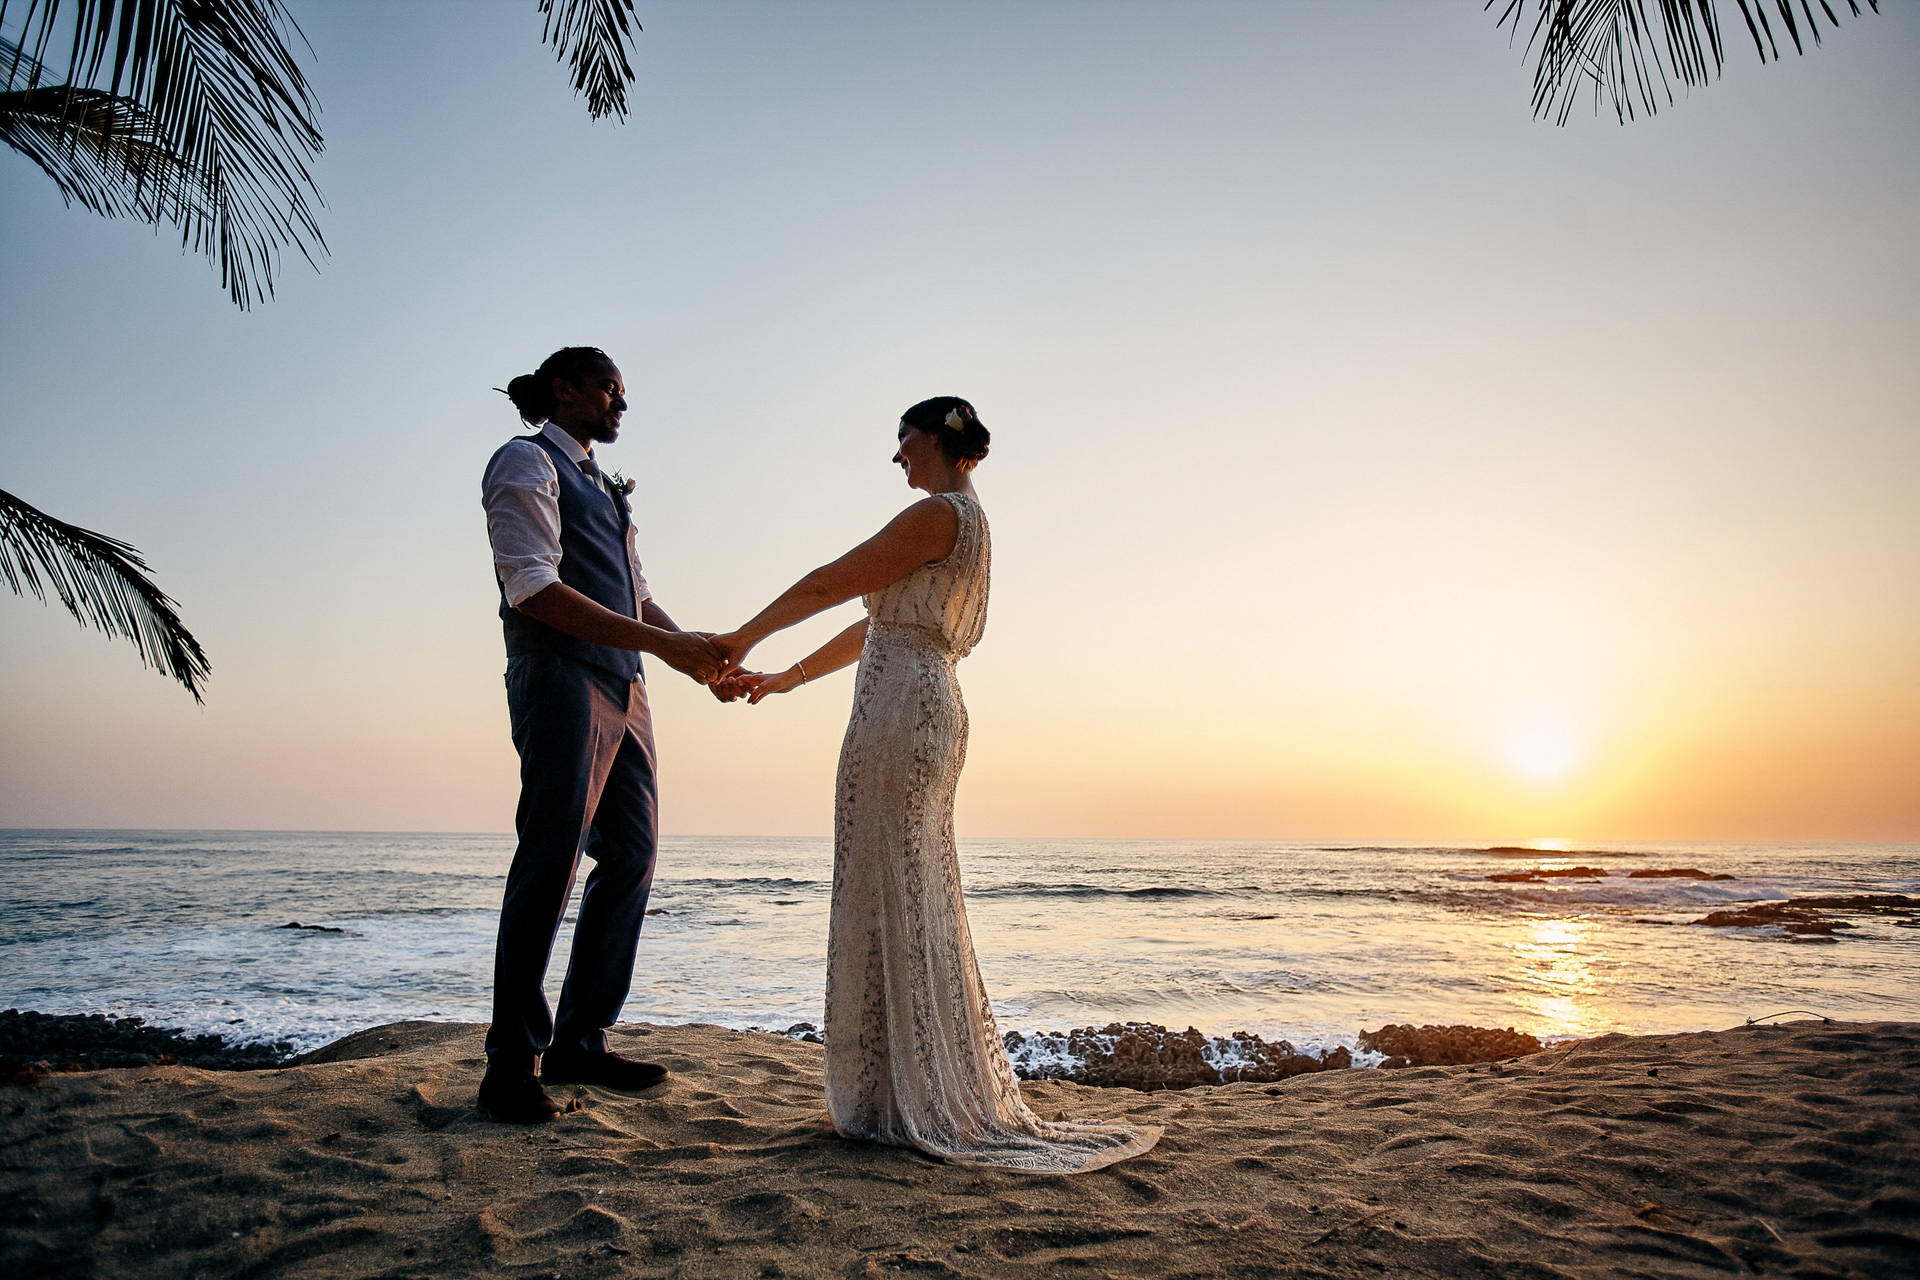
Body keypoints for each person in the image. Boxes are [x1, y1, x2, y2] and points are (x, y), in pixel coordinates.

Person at [713, 397, 1162, 1173]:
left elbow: (830, 582)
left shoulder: (939, 515)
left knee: (894, 881)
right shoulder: (966, 525)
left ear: (944, 442)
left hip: (902, 711)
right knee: (907, 883)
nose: (897, 456)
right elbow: (874, 624)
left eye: (905, 440)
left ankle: (908, 1093)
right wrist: (786, 678)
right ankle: (903, 1085)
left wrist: (735, 639)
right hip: (922, 699)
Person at [477, 346, 728, 1125]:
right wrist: (664, 648)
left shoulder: (604, 486)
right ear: (565, 389)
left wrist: (695, 653)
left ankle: (581, 1041)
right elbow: (533, 589)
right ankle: (510, 1064)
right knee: (550, 858)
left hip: (627, 685)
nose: (622, 402)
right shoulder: (524, 462)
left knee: (632, 857)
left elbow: (637, 593)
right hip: (560, 676)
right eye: (610, 388)